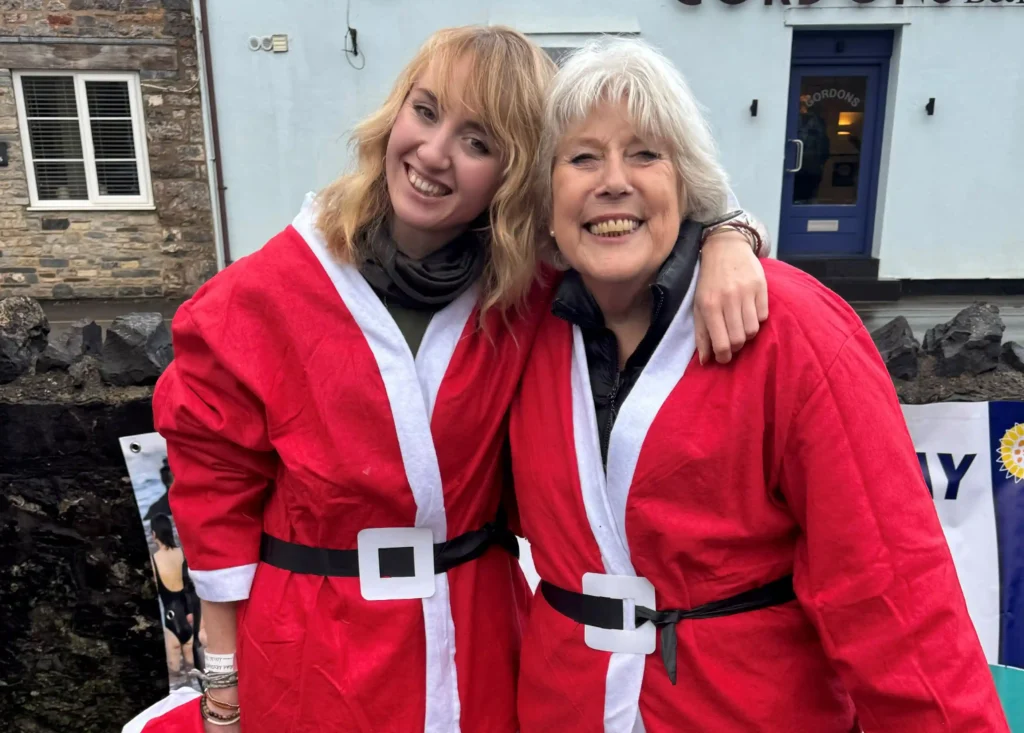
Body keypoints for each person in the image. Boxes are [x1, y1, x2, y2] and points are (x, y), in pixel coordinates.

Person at [133, 26, 770, 733]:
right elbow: (215, 496)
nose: (434, 154)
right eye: (426, 111)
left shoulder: (528, 293)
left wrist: (728, 234)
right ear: (395, 113)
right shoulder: (262, 295)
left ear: (515, 171)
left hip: (476, 645)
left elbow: (631, 225)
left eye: (478, 142)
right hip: (315, 653)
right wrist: (221, 687)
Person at [509, 38, 1009, 733]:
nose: (613, 181)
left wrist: (731, 231)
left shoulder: (793, 330)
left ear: (689, 183)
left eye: (646, 153)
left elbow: (892, 594)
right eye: (582, 157)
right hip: (564, 706)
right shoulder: (517, 331)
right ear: (547, 191)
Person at [150, 514, 195, 682]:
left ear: (154, 534)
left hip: (170, 622)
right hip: (190, 618)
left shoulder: (154, 560)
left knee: (176, 679)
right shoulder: (182, 553)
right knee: (195, 673)